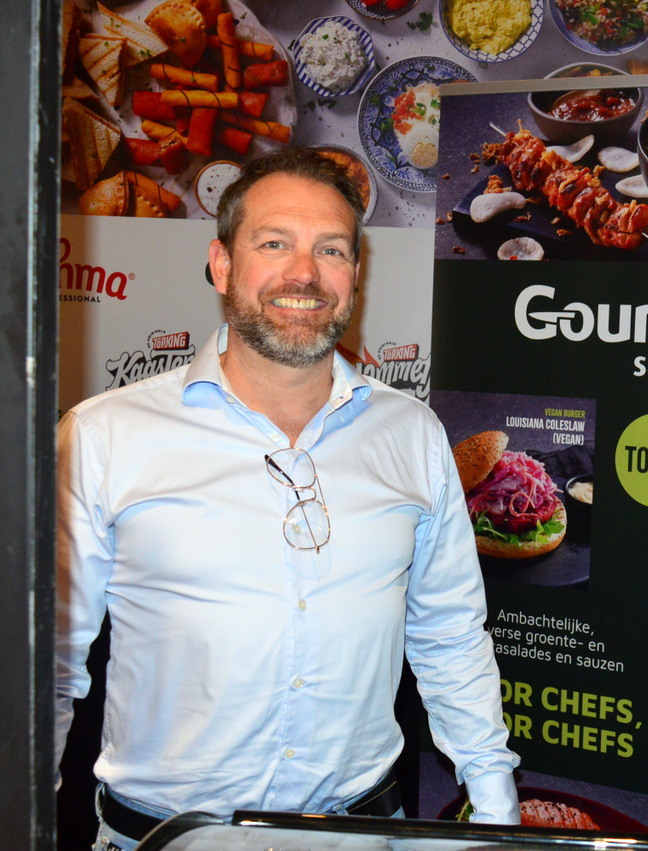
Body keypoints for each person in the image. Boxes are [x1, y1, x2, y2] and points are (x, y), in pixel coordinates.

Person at [56, 147, 519, 850]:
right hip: (163, 840)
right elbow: (51, 663)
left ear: (355, 274)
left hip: (364, 835)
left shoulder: (413, 434)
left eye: (330, 249)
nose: (304, 273)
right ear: (222, 264)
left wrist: (494, 809)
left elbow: (450, 635)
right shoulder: (103, 435)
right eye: (274, 244)